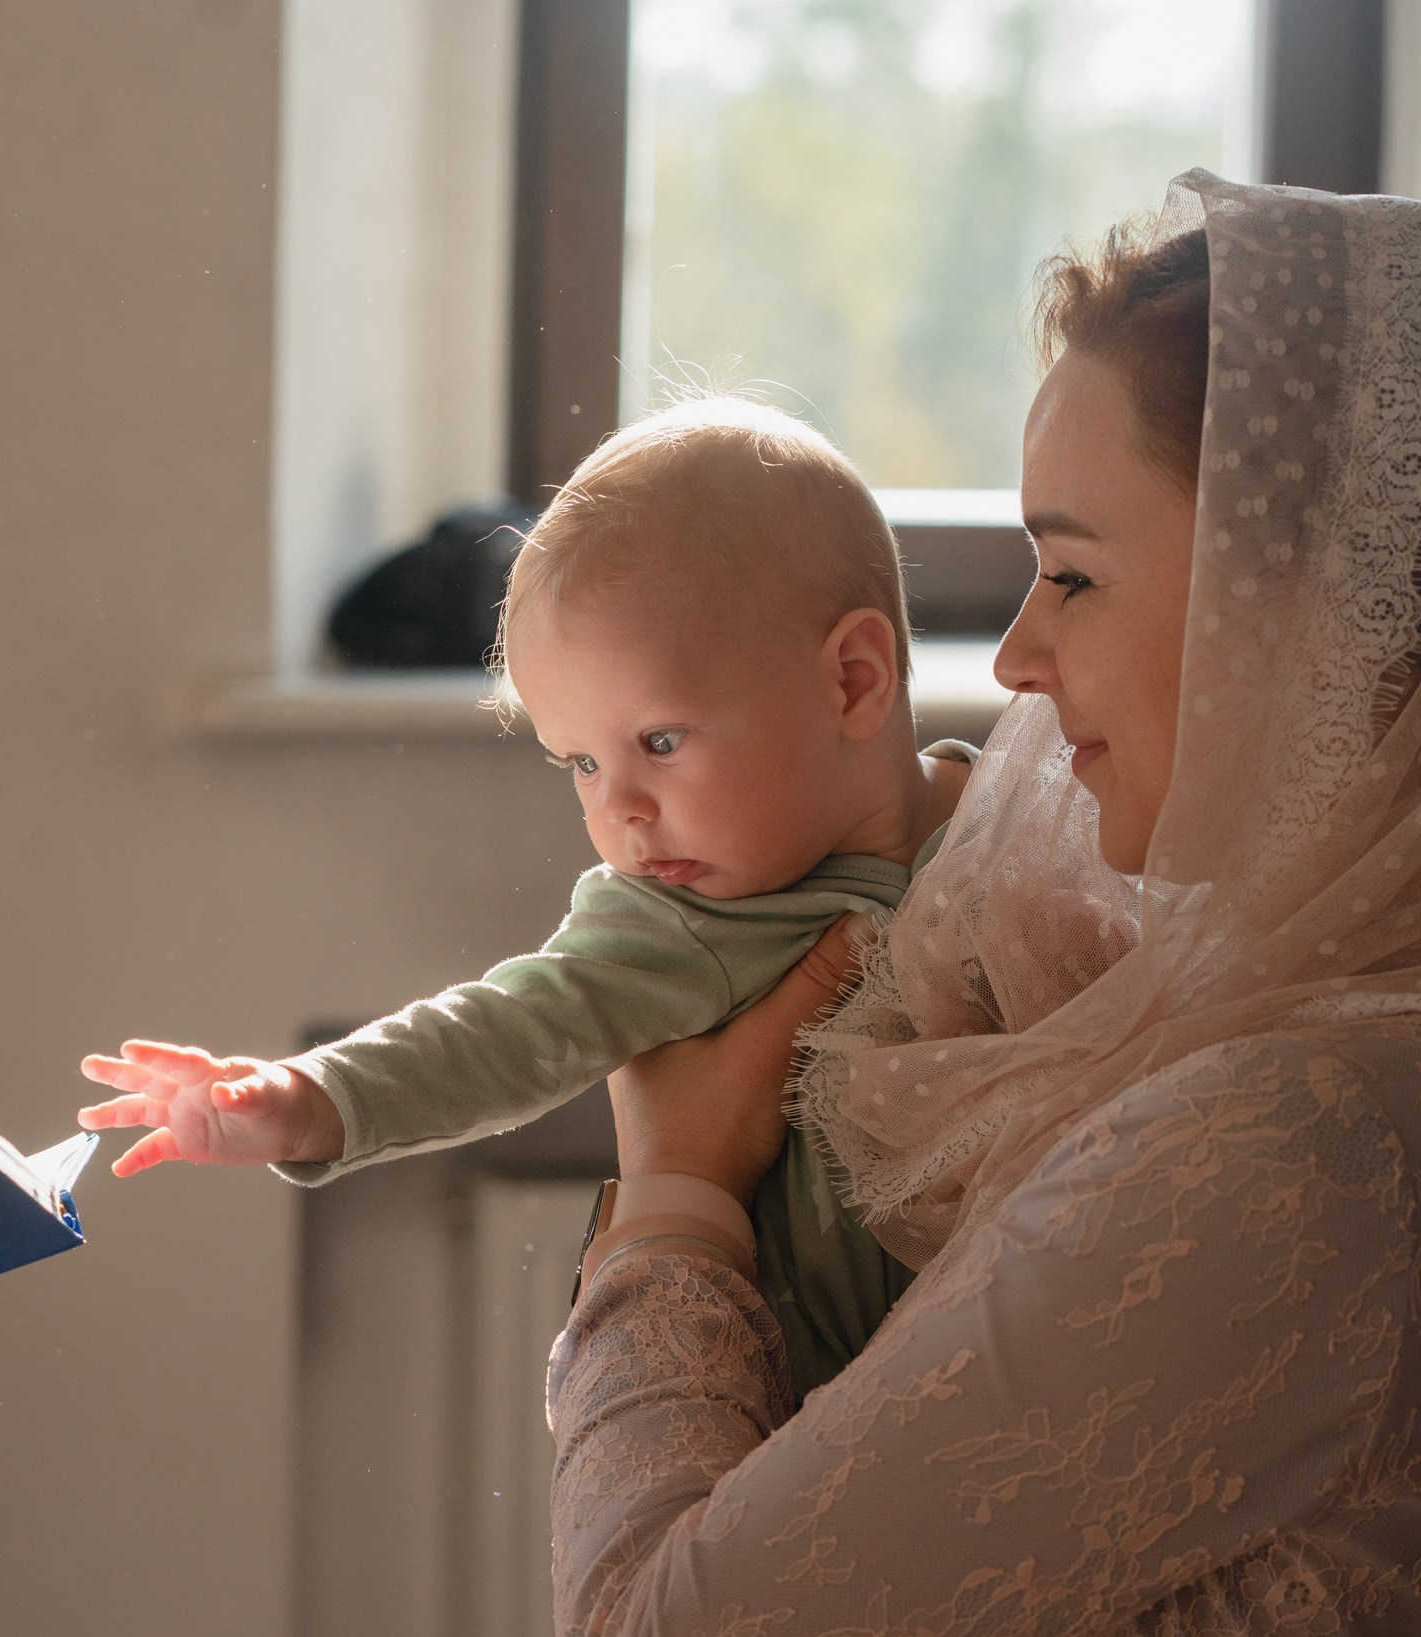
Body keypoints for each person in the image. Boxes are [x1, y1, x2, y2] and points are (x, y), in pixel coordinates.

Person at [543, 169, 1421, 1637]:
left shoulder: (1299, 1139)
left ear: (1313, 606)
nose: (1015, 656)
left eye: (1073, 573)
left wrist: (672, 1197)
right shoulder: (1258, 1020)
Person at [79, 398, 974, 1396]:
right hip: (811, 1406)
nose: (619, 809)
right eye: (580, 762)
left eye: (660, 742)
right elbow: (504, 1027)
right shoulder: (679, 920)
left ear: (853, 679)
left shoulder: (1017, 820)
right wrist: (309, 1098)